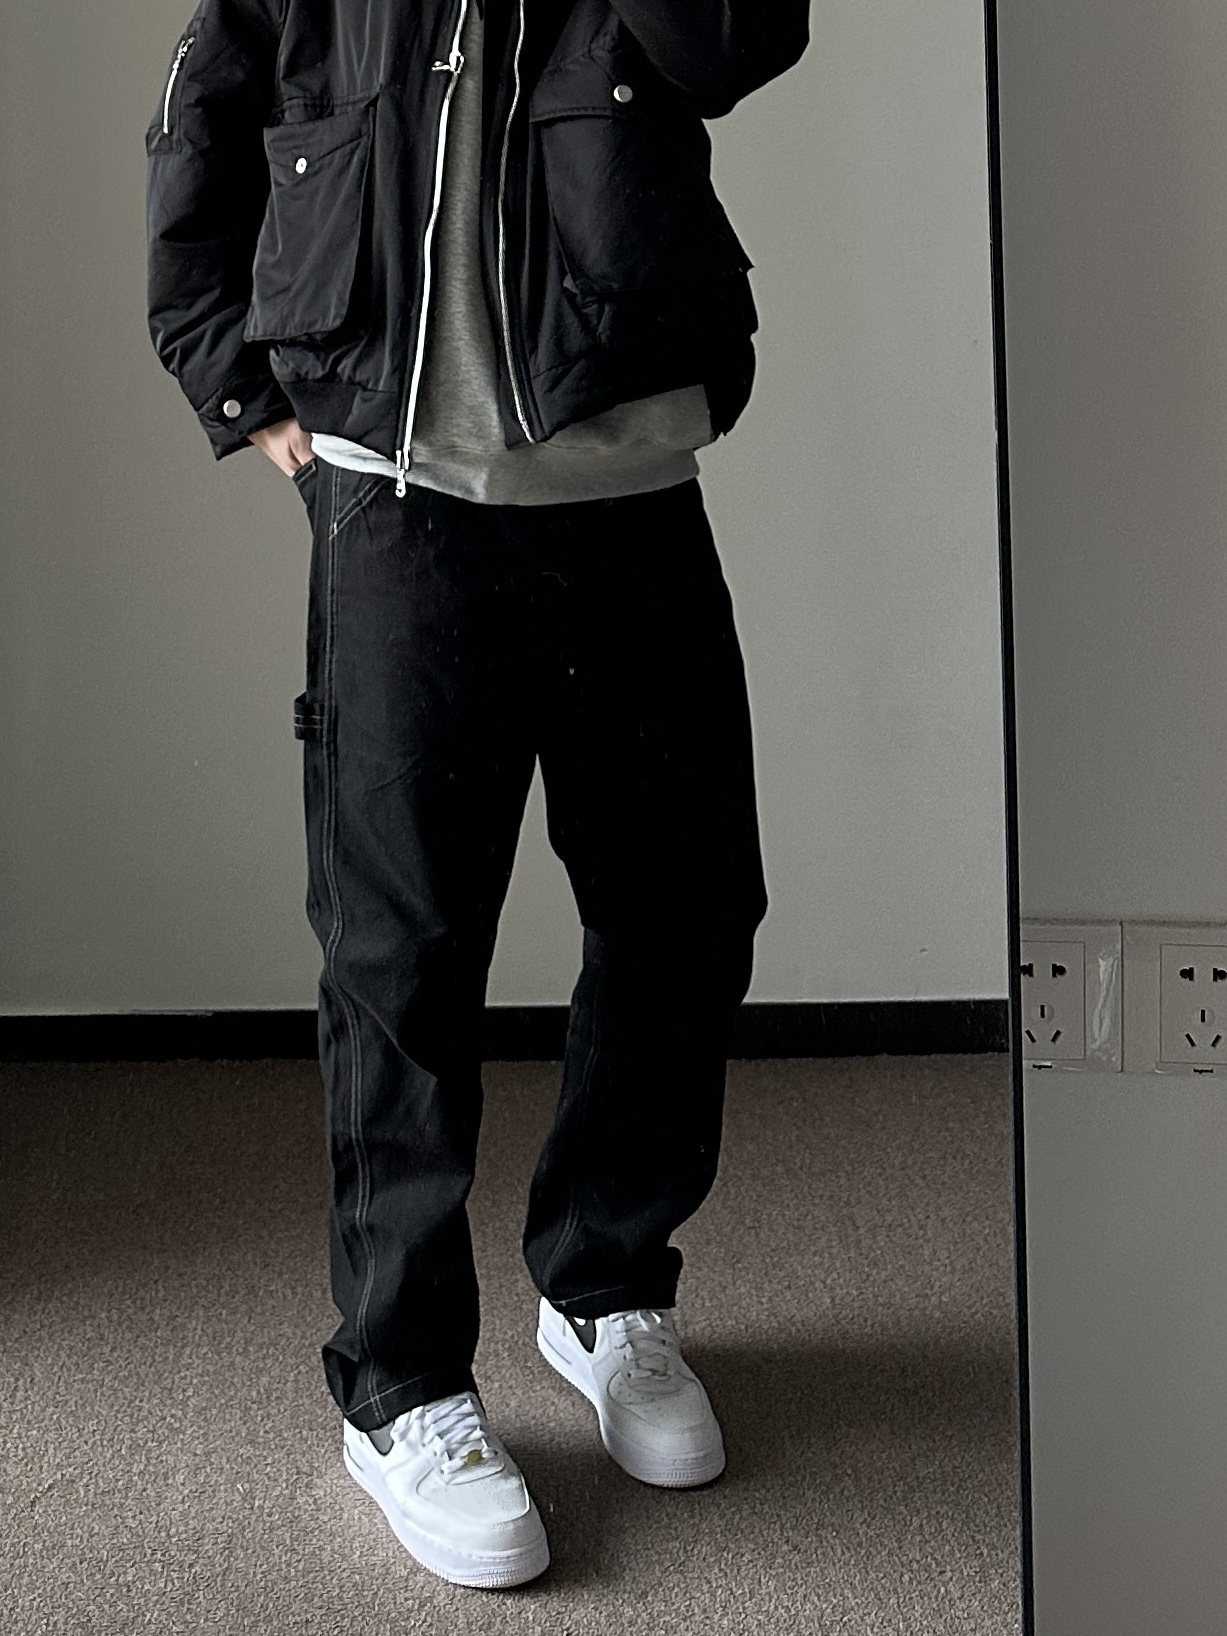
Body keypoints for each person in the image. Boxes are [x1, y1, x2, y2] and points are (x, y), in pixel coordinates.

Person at [146, 0, 809, 1592]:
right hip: (399, 508)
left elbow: (735, 40)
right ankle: (402, 1386)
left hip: (632, 491)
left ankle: (606, 1287)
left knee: (686, 914)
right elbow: (197, 120)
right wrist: (242, 387)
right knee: (402, 960)